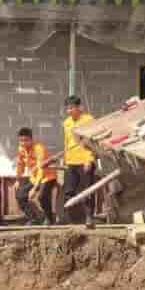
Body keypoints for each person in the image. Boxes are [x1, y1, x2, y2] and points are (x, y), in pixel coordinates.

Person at [61, 95, 96, 227]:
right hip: (71, 161)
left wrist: (89, 159)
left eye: (71, 108)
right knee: (69, 190)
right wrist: (65, 160)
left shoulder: (88, 120)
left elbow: (92, 142)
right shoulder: (66, 123)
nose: (69, 111)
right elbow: (66, 142)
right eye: (67, 109)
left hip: (85, 160)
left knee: (88, 190)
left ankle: (89, 217)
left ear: (79, 107)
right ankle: (70, 219)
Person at [15, 127, 58, 225]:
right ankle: (34, 219)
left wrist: (34, 189)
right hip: (35, 178)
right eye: (21, 140)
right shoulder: (21, 149)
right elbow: (20, 165)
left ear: (31, 139)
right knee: (20, 196)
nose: (23, 143)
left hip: (48, 176)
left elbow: (41, 169)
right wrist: (17, 180)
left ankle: (49, 219)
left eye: (26, 140)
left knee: (42, 197)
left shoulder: (39, 148)